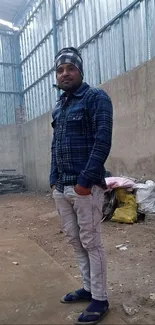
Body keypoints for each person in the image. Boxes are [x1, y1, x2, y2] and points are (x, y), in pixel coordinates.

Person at [50, 47, 113, 325]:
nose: (65, 73)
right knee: (77, 243)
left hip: (84, 188)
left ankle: (100, 299)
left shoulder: (95, 98)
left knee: (92, 243)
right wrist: (53, 178)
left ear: (80, 71)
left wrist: (85, 182)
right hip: (62, 188)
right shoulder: (60, 106)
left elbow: (102, 141)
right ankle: (88, 289)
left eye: (70, 68)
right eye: (60, 69)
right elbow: (55, 146)